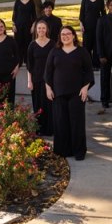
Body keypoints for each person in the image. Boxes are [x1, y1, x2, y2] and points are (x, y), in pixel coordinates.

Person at [45, 26, 95, 160]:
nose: (65, 36)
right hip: (58, 93)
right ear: (60, 37)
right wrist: (48, 88)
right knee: (60, 123)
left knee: (77, 123)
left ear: (73, 36)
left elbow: (89, 72)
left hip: (76, 94)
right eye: (62, 34)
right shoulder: (54, 52)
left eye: (68, 34)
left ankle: (78, 152)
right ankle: (62, 152)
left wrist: (85, 87)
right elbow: (48, 72)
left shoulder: (82, 52)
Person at [27, 19, 55, 136]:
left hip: (50, 80)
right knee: (37, 104)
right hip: (36, 79)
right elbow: (29, 64)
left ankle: (50, 129)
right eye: (39, 28)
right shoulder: (32, 45)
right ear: (36, 30)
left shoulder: (53, 44)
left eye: (43, 28)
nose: (41, 30)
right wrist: (29, 81)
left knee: (49, 105)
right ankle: (39, 129)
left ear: (47, 29)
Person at [79, 0, 106, 68]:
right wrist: (81, 24)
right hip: (87, 27)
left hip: (98, 26)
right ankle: (87, 65)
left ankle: (96, 65)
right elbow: (82, 13)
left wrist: (103, 26)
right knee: (87, 46)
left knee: (97, 45)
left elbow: (103, 14)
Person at [12, 0, 36, 66]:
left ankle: (27, 60)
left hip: (28, 26)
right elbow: (14, 15)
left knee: (27, 43)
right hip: (18, 26)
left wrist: (33, 26)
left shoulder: (31, 2)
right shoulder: (17, 2)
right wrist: (14, 25)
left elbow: (34, 16)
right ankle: (19, 60)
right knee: (18, 43)